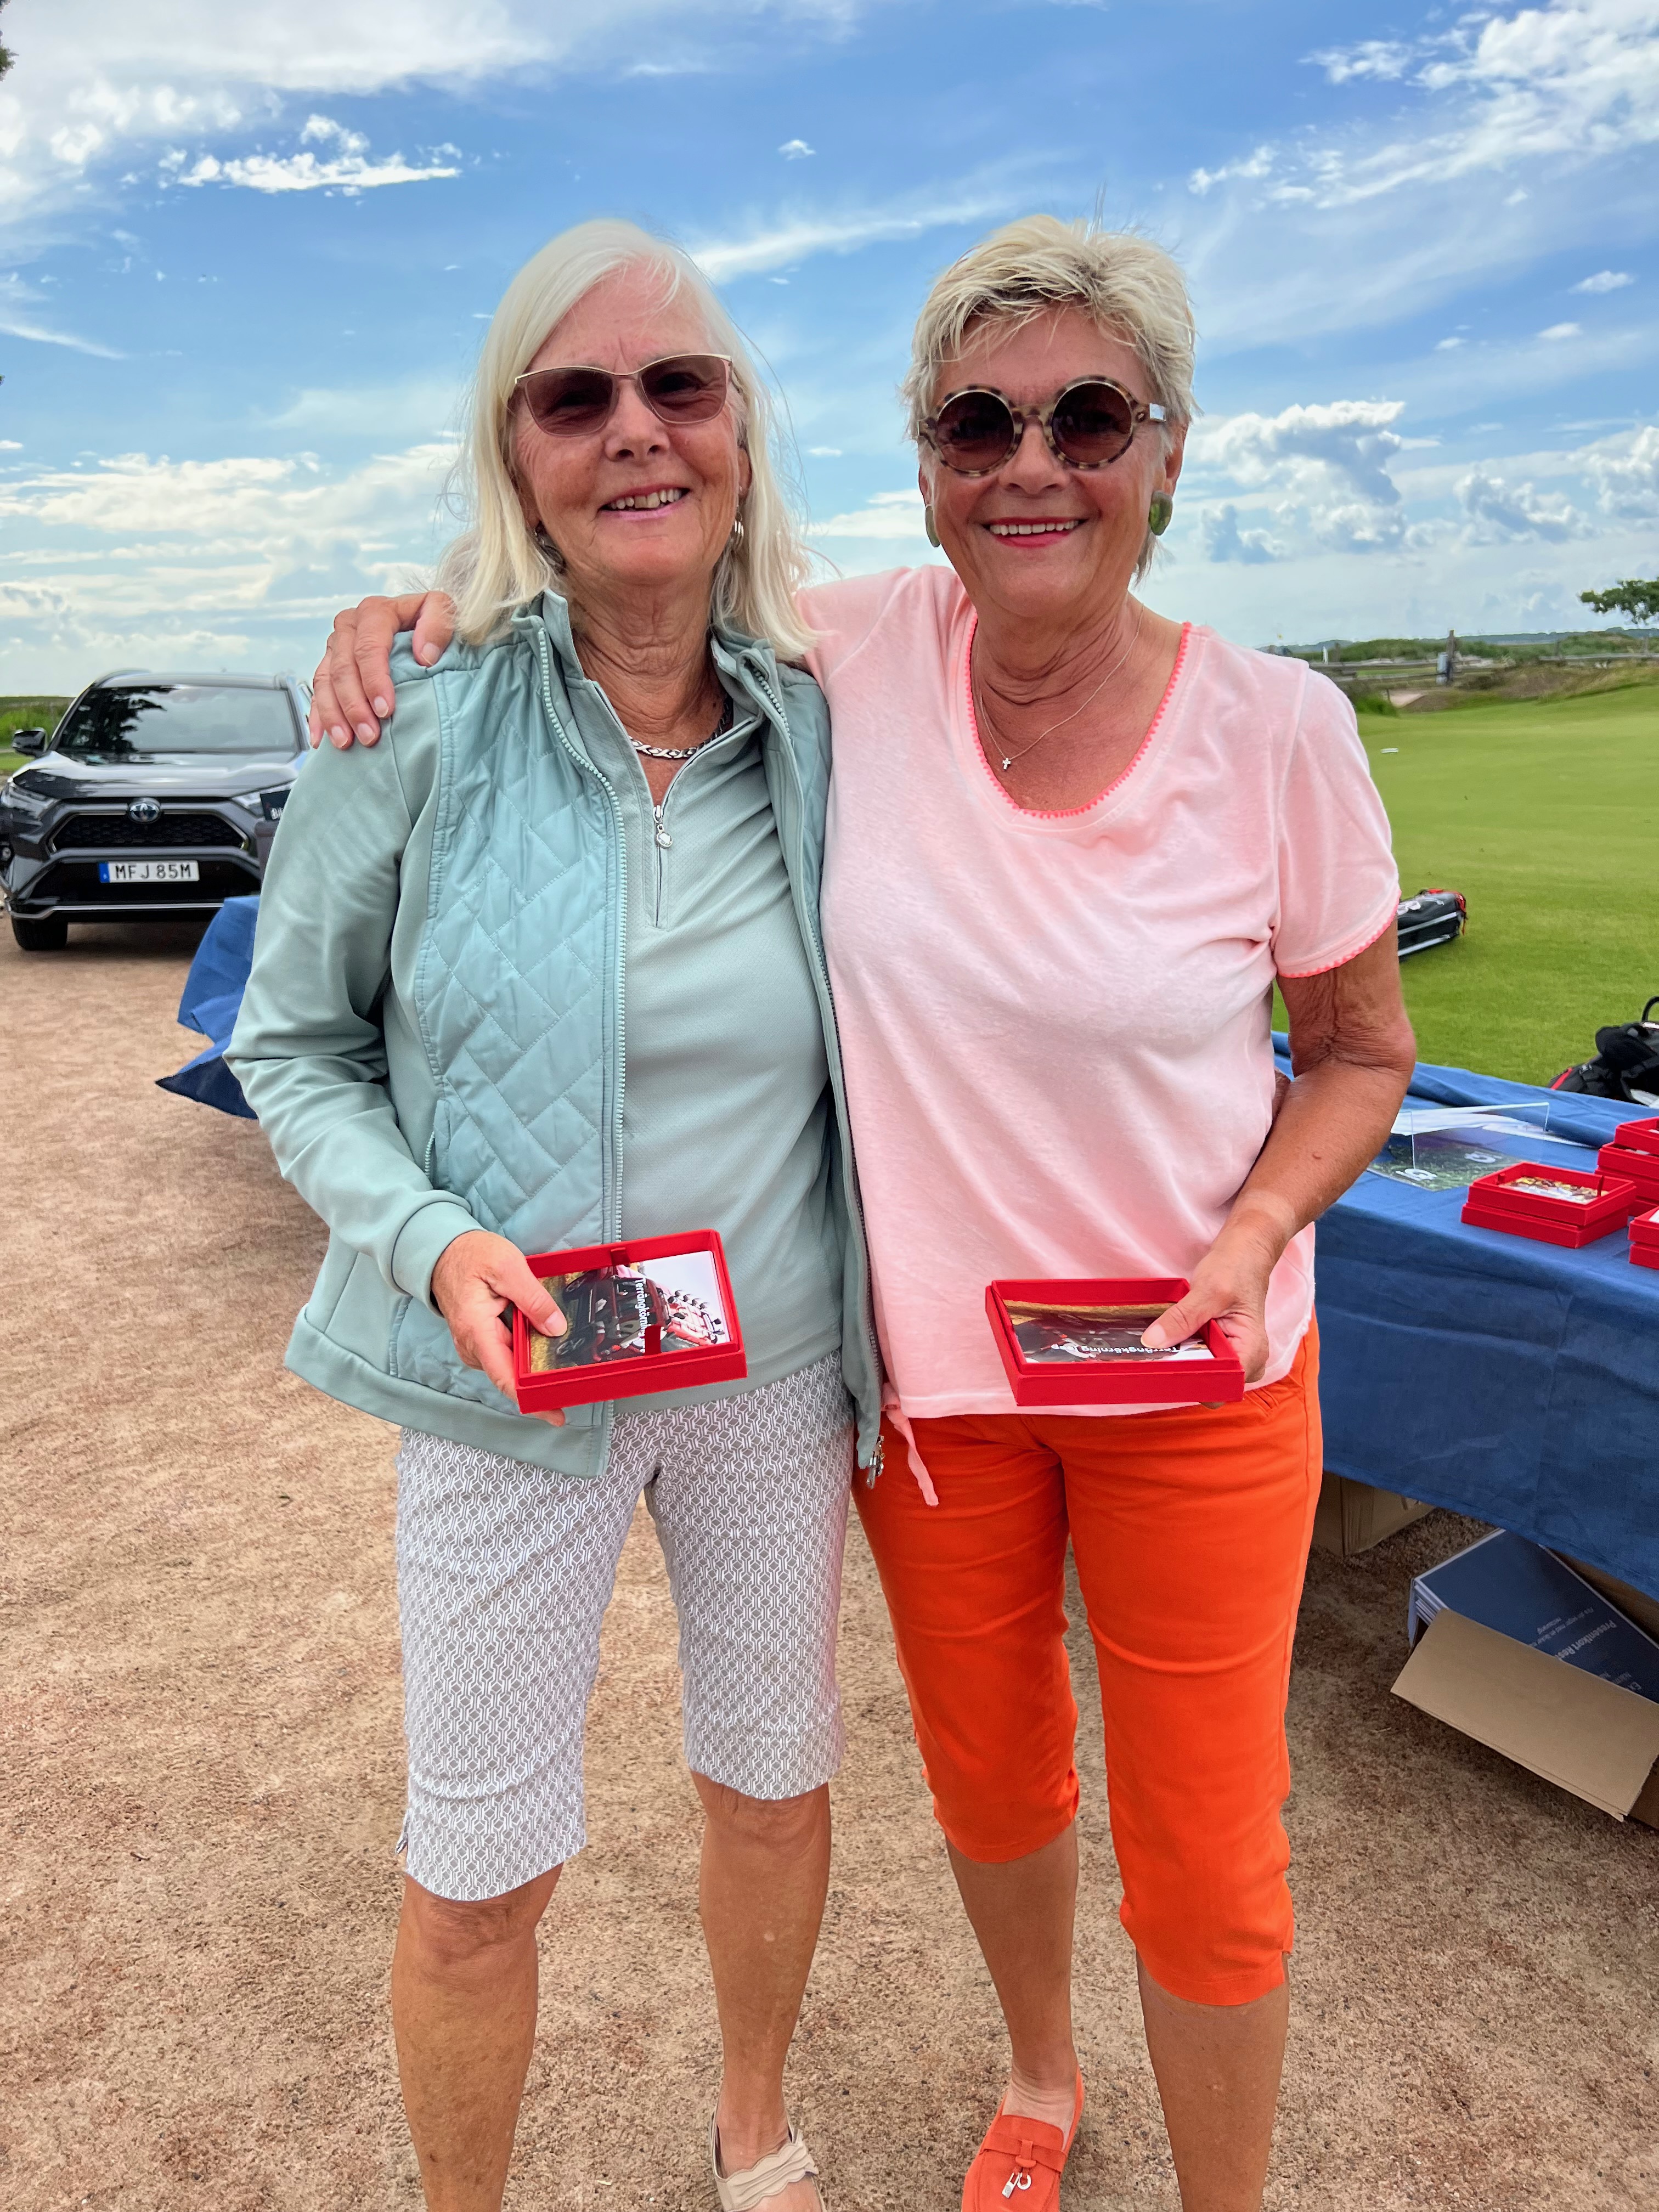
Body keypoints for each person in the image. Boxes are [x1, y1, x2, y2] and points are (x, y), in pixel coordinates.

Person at [311, 217, 1416, 2212]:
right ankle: (1039, 2074)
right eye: (978, 424)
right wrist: (422, 608)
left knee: (1203, 1847)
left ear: (1167, 449)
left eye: (1090, 418)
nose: (1032, 465)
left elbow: (1355, 1049)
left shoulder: (1264, 727)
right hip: (924, 1393)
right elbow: (626, 558)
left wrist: (1256, 1238)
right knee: (986, 1782)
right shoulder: (859, 657)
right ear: (923, 462)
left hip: (1168, 1375)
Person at [228, 219, 883, 2212]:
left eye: (680, 385)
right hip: (514, 1371)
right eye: (574, 397)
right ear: (515, 451)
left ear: (742, 428)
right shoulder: (412, 716)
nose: (635, 431)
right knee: (477, 1868)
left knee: (773, 1782)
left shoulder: (827, 712)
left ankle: (753, 2127)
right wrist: (432, 1242)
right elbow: (292, 1047)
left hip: (768, 1366)